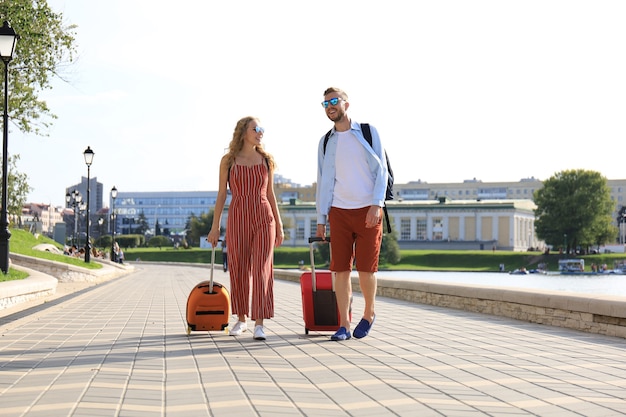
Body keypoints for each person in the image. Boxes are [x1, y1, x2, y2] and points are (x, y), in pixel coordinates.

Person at [315, 87, 388, 341]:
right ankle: (344, 324)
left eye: (334, 101)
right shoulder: (325, 142)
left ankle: (369, 314)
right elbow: (322, 181)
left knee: (367, 269)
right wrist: (321, 219)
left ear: (347, 104)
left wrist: (376, 204)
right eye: (325, 103)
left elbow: (383, 171)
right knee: (340, 270)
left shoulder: (368, 132)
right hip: (339, 211)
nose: (329, 106)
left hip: (368, 209)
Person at [207, 116, 284, 341]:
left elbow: (270, 194)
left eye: (261, 129)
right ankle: (242, 319)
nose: (260, 132)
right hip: (238, 215)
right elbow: (222, 194)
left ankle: (260, 323)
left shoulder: (266, 160)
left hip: (263, 217)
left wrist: (278, 224)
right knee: (238, 268)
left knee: (262, 269)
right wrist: (215, 228)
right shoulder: (228, 160)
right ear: (243, 132)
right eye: (256, 129)